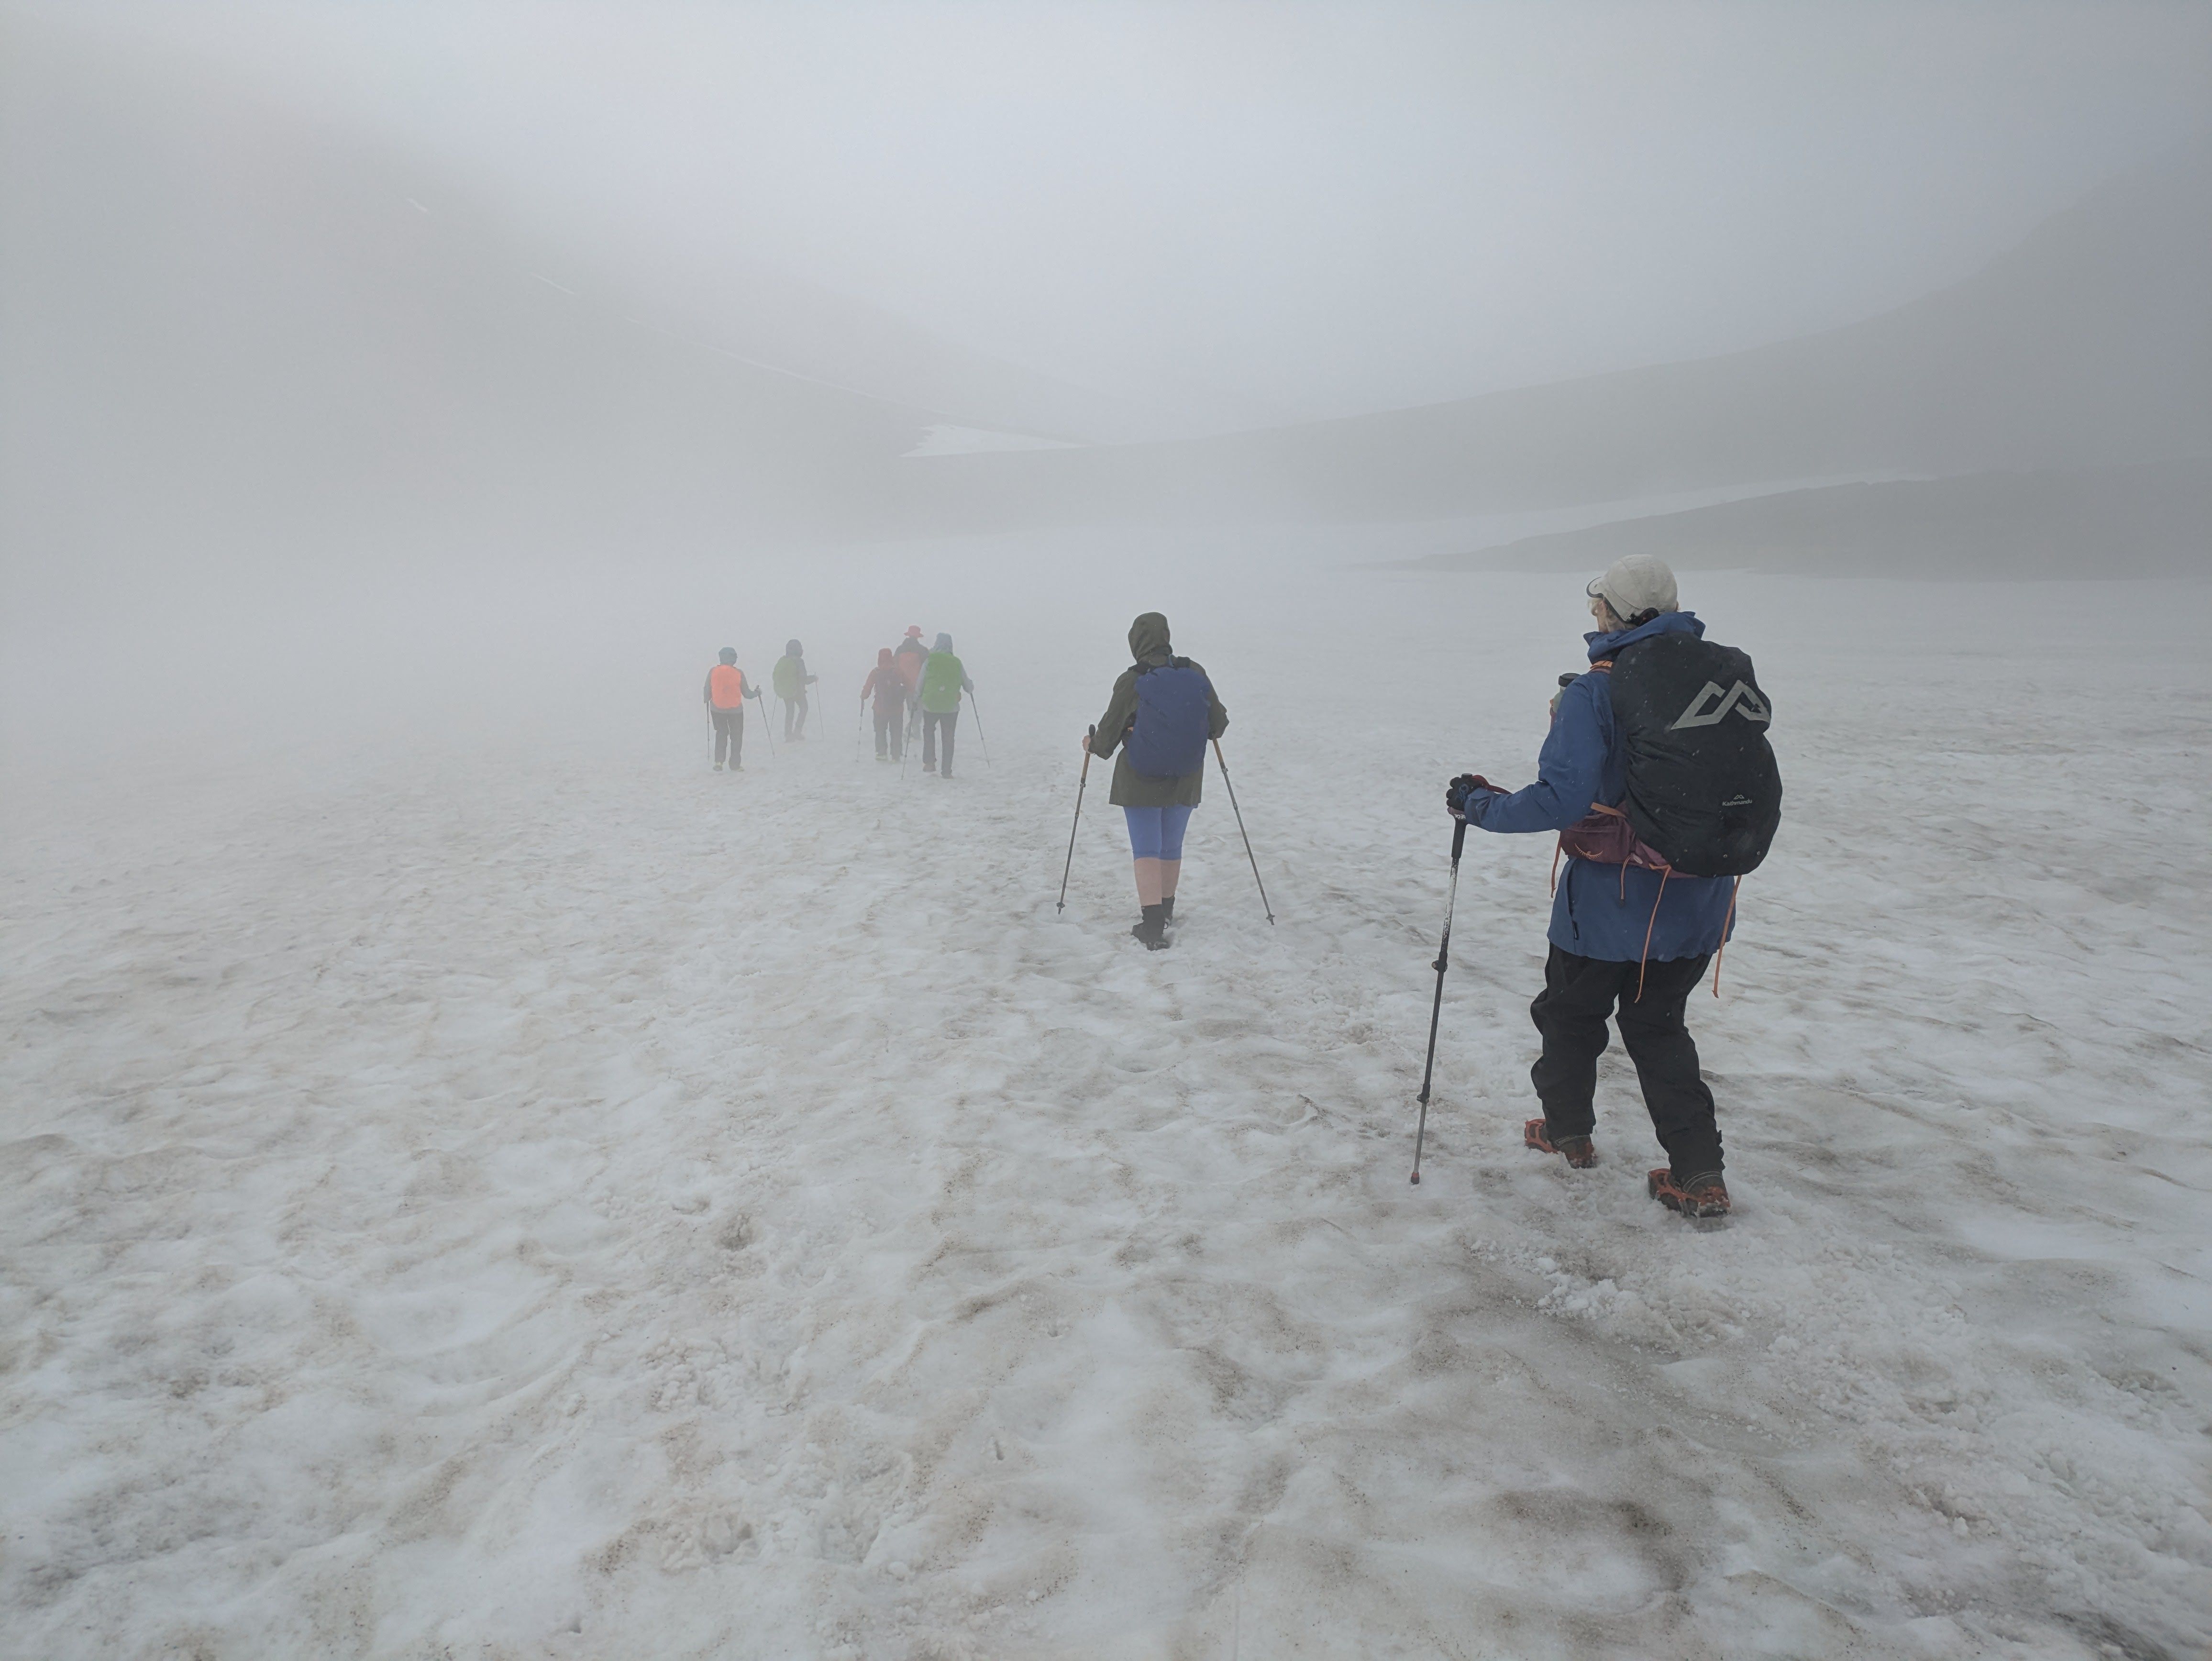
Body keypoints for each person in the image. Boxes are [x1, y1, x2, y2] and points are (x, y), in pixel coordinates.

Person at [1448, 555, 1761, 1221]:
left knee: (1569, 1016)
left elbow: (1560, 801)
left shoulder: (1598, 691)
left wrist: (1477, 806)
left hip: (1610, 904)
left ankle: (1567, 1132)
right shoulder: (1714, 681)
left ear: (1618, 615)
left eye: (1599, 607)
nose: (1593, 616)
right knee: (1659, 1029)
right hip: (1701, 899)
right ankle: (1700, 1174)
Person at [1082, 612, 1227, 950]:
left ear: (1136, 642)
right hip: (1186, 775)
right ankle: (1167, 910)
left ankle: (1151, 925)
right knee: (1171, 846)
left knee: (1146, 848)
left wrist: (1091, 745)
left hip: (1139, 777)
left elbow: (1106, 740)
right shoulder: (1194, 672)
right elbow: (1217, 725)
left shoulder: (1133, 679)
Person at [917, 632, 972, 777]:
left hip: (930, 704)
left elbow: (921, 681)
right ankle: (947, 770)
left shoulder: (930, 660)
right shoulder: (956, 662)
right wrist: (970, 686)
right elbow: (968, 686)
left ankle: (929, 763)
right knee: (948, 737)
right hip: (950, 706)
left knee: (929, 731)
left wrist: (917, 696)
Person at [701, 646, 763, 771]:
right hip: (736, 711)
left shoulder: (713, 671)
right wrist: (757, 693)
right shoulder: (738, 673)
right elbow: (747, 694)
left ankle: (719, 761)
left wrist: (706, 699)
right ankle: (735, 765)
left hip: (717, 709)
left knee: (721, 733)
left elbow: (707, 689)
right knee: (736, 737)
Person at [861, 647, 909, 762]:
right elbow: (909, 685)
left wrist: (863, 696)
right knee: (896, 731)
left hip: (880, 708)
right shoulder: (898, 671)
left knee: (880, 731)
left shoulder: (876, 672)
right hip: (897, 709)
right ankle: (896, 754)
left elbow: (867, 690)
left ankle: (881, 753)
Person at [772, 639, 817, 740]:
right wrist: (814, 678)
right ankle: (797, 731)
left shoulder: (783, 660)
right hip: (798, 691)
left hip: (786, 691)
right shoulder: (799, 662)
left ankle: (788, 734)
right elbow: (804, 679)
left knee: (790, 711)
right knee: (804, 708)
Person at [893, 625, 929, 743]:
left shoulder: (899, 650)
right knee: (919, 710)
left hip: (902, 685)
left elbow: (894, 666)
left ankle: (914, 732)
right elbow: (927, 669)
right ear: (918, 637)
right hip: (917, 685)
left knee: (911, 709)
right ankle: (911, 730)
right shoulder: (923, 651)